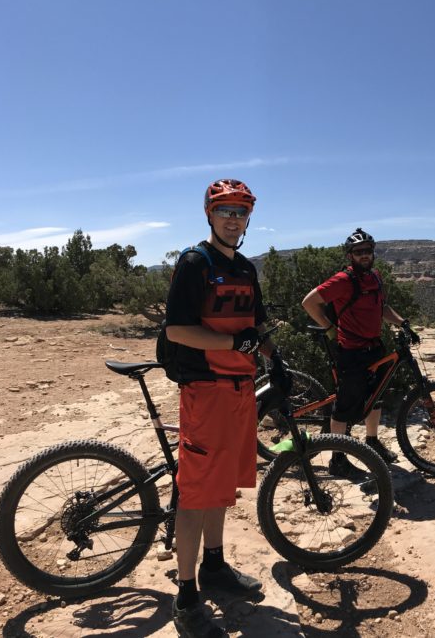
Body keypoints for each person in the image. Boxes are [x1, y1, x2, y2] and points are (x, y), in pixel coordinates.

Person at [157, 178, 274, 637]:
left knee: (222, 483)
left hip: (241, 390)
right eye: (225, 210)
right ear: (209, 214)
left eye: (241, 212)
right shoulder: (195, 264)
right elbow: (177, 331)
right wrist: (232, 341)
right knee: (196, 494)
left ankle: (215, 566)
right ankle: (186, 598)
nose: (233, 219)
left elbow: (257, 326)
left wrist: (273, 359)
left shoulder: (245, 268)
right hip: (205, 390)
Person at [300, 228, 407, 478]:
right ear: (350, 255)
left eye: (367, 251)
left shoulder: (375, 277)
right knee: (344, 407)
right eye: (358, 252)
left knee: (376, 397)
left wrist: (403, 323)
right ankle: (337, 459)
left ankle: (372, 441)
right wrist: (328, 327)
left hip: (375, 346)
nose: (364, 256)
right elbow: (309, 302)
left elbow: (383, 307)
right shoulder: (343, 280)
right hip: (351, 350)